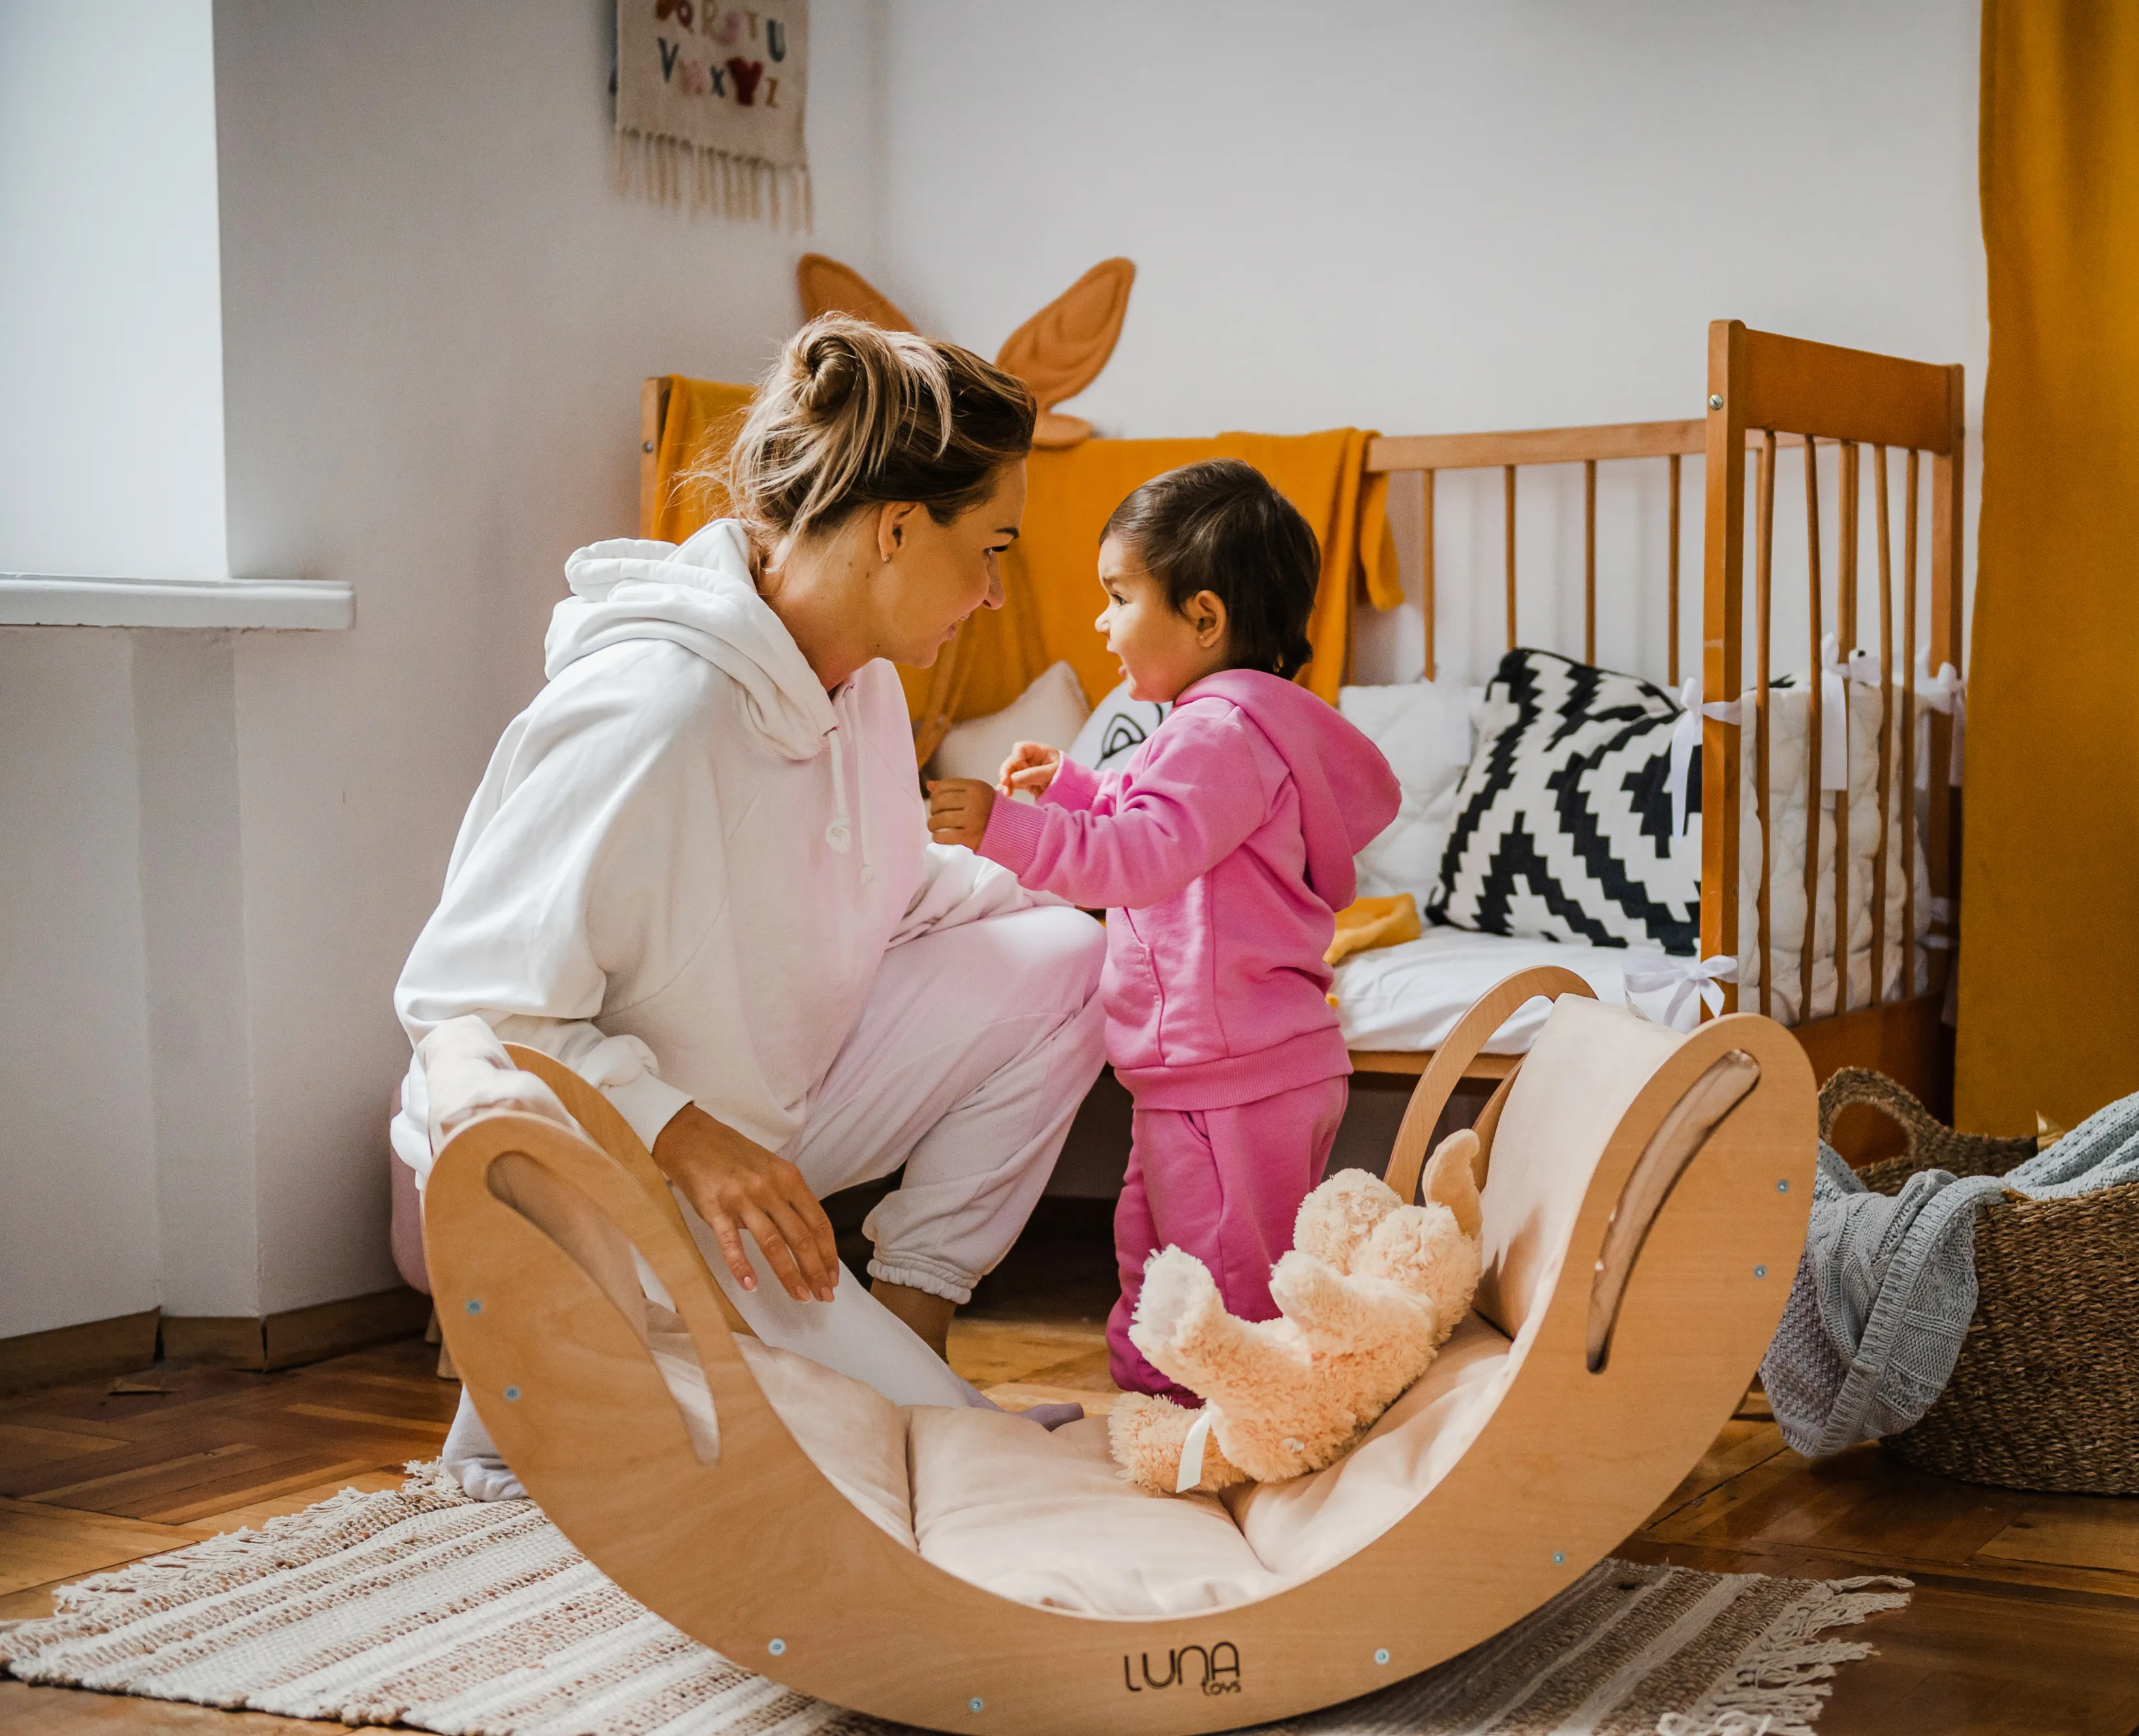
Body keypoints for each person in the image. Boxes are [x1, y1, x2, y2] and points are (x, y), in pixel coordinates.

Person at [395, 316, 1107, 1497]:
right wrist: (683, 1134)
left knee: (1065, 959)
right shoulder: (657, 713)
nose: (992, 594)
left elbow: (891, 888)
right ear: (894, 529)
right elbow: (464, 1011)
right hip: (580, 1168)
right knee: (892, 1466)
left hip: (752, 1134)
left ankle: (906, 1344)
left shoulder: (858, 685)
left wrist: (1102, 878)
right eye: (990, 549)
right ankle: (528, 1406)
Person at [926, 460, 1399, 1401]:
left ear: (1205, 617)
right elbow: (1172, 820)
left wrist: (1007, 828)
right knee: (1159, 1262)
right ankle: (1157, 1416)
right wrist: (1075, 787)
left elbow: (1144, 856)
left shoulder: (1216, 731)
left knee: (1217, 1295)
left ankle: (1225, 1436)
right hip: (1217, 1071)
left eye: (1119, 597)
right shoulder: (1227, 728)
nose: (1103, 623)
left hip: (1229, 1075)